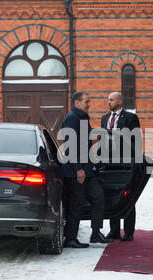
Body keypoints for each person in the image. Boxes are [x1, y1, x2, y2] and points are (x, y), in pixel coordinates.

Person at [60, 91, 112, 248]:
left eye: (89, 101)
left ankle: (95, 233)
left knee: (98, 196)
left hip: (87, 169)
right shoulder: (72, 118)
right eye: (86, 102)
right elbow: (70, 147)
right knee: (76, 204)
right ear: (77, 103)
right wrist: (78, 169)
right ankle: (70, 238)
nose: (89, 104)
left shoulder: (83, 117)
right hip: (75, 170)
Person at [101, 92, 141, 242]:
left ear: (119, 101)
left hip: (125, 162)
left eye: (111, 100)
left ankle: (129, 232)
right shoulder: (105, 118)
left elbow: (136, 141)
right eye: (108, 100)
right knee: (112, 195)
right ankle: (114, 230)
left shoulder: (131, 118)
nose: (108, 102)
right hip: (109, 163)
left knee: (128, 196)